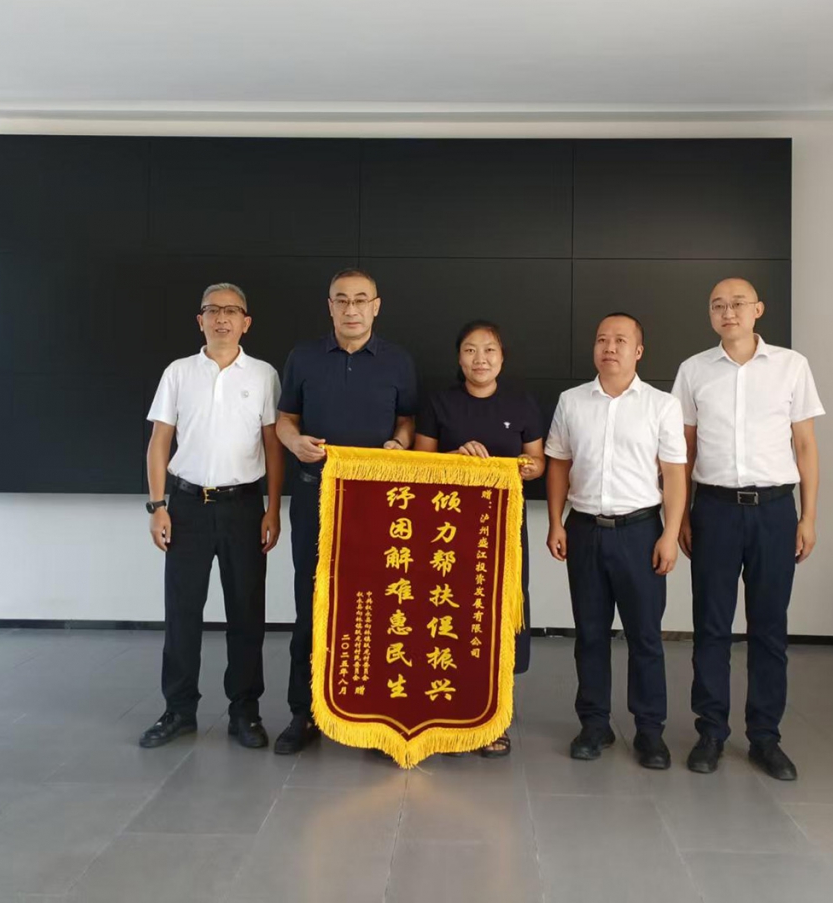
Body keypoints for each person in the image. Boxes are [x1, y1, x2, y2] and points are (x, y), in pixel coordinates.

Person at [671, 278, 823, 781]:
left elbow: (806, 446)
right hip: (714, 509)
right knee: (711, 626)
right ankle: (711, 731)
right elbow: (683, 449)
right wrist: (682, 515)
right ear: (710, 314)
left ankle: (765, 737)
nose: (728, 312)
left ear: (759, 309)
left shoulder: (791, 366)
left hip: (775, 511)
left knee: (769, 628)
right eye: (718, 305)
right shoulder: (693, 370)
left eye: (738, 303)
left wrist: (808, 516)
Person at [274, 268, 418, 754]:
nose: (351, 309)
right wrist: (294, 442)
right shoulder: (303, 357)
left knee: (378, 605)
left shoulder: (398, 360)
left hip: (378, 502)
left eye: (361, 300)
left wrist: (401, 442)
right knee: (312, 601)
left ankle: (374, 716)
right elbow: (285, 418)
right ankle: (304, 712)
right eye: (342, 300)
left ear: (376, 306)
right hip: (315, 495)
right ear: (330, 306)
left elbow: (407, 418)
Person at [139, 282, 284, 750]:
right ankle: (179, 710)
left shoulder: (263, 375)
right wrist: (157, 506)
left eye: (232, 310)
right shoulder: (179, 372)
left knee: (247, 613)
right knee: (182, 612)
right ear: (199, 320)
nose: (222, 318)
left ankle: (245, 712)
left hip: (244, 508)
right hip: (186, 507)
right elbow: (160, 442)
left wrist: (273, 509)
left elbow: (273, 447)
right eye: (213, 310)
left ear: (246, 322)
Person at [544, 313, 688, 770]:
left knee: (645, 635)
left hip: (640, 532)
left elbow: (674, 475)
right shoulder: (571, 402)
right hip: (584, 529)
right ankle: (594, 724)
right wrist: (555, 521)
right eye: (602, 339)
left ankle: (649, 731)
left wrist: (669, 533)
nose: (609, 347)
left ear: (638, 351)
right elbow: (559, 464)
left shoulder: (662, 405)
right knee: (589, 634)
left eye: (620, 340)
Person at [414, 320, 546, 758]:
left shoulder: (522, 403)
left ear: (502, 357)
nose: (480, 359)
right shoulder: (439, 403)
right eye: (470, 350)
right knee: (449, 612)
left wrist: (525, 467)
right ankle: (444, 710)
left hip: (504, 528)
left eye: (489, 350)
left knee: (499, 613)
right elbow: (420, 465)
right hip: (448, 530)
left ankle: (493, 718)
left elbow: (538, 463)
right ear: (459, 358)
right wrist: (455, 457)